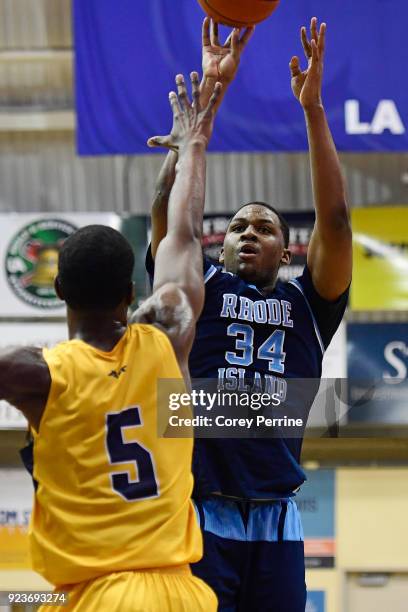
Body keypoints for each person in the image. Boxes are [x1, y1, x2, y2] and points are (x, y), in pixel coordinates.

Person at [146, 18, 352, 612]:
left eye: (263, 227)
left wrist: (313, 109)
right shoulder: (198, 286)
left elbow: (335, 221)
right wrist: (205, 107)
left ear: (287, 250)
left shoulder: (306, 306)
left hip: (276, 515)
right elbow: (169, 214)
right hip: (200, 504)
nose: (248, 234)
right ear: (221, 243)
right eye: (237, 227)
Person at [0, 72, 222, 612]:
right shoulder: (168, 331)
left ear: (56, 291)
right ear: (130, 292)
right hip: (185, 591)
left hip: (101, 594)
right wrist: (192, 144)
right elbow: (185, 234)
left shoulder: (37, 374)